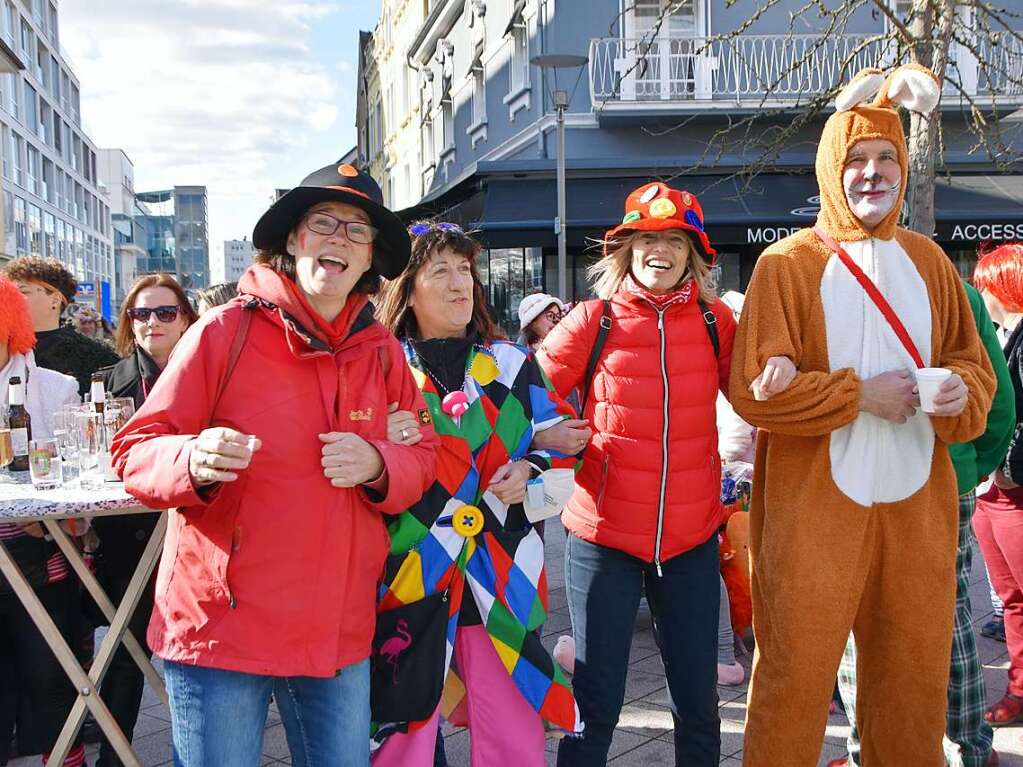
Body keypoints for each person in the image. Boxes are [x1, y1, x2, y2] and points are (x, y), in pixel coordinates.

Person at [110, 162, 438, 767]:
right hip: (221, 628)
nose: (339, 238)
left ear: (370, 259)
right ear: (294, 239)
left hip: (335, 629)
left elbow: (424, 457)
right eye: (324, 222)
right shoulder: (222, 331)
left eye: (357, 231)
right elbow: (135, 449)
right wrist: (192, 458)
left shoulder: (383, 352)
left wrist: (378, 463)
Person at [730, 64, 997, 765]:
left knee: (912, 684)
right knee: (792, 680)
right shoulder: (784, 265)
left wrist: (956, 394)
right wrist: (856, 395)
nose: (872, 174)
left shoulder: (932, 262)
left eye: (886, 159)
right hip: (812, 509)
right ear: (829, 168)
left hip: (917, 508)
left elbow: (976, 371)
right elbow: (753, 390)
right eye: (856, 160)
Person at [536, 182, 792, 766]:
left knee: (698, 702)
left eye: (674, 241)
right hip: (603, 536)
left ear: (694, 255)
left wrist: (780, 359)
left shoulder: (715, 321)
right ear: (625, 250)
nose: (660, 251)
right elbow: (526, 394)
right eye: (647, 239)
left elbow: (755, 395)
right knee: (596, 699)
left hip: (692, 538)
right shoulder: (591, 319)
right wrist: (547, 436)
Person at [371, 221, 581, 766]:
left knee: (512, 721)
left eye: (465, 269)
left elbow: (566, 445)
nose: (459, 282)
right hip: (410, 570)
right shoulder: (381, 366)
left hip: (504, 567)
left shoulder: (510, 364)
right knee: (402, 725)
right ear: (406, 287)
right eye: (440, 269)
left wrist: (531, 468)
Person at [829, 278, 1015, 767]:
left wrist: (966, 466)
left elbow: (994, 399)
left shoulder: (944, 289)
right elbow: (997, 403)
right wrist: (971, 464)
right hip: (897, 478)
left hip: (880, 479)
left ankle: (872, 750)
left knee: (878, 619)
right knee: (941, 617)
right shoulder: (949, 287)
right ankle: (963, 750)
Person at [88, 273, 198, 767]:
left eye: (165, 312)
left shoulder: (211, 372)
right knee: (124, 654)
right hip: (128, 537)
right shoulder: (107, 381)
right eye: (140, 313)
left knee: (197, 662)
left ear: (186, 320)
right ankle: (115, 754)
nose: (152, 322)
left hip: (194, 537)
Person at [0, 275, 84, 767]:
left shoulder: (55, 389)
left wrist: (55, 516)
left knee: (50, 681)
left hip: (38, 560)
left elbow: (82, 473)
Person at [970, 243, 1023, 729]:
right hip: (994, 490)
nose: (979, 293)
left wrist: (1003, 466)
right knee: (1010, 600)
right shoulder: (1004, 335)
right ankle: (1019, 688)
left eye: (984, 284)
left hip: (1012, 490)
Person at [3, 257, 119, 396]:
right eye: (8, 293)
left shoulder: (98, 357)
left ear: (55, 299)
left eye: (23, 292)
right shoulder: (4, 349)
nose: (12, 299)